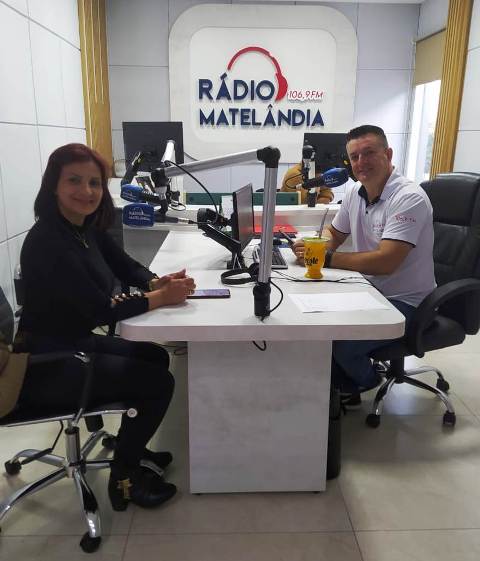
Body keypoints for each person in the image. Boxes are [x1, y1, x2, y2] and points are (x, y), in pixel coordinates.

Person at [16, 143, 196, 511]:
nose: (87, 191)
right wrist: (162, 298)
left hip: (72, 341)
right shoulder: (49, 242)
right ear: (53, 186)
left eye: (94, 182)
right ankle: (125, 480)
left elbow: (124, 265)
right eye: (74, 181)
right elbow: (100, 311)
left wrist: (155, 282)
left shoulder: (84, 228)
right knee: (158, 383)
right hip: (45, 362)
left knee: (155, 357)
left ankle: (132, 445)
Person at [292, 125, 435, 405]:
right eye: (354, 157)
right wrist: (317, 245)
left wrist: (326, 258)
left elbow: (386, 262)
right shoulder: (356, 193)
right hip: (370, 291)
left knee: (341, 344)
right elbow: (335, 234)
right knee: (319, 326)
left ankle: (367, 382)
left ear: (388, 154)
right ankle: (337, 384)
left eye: (368, 153)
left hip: (408, 301)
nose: (361, 162)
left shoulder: (408, 198)